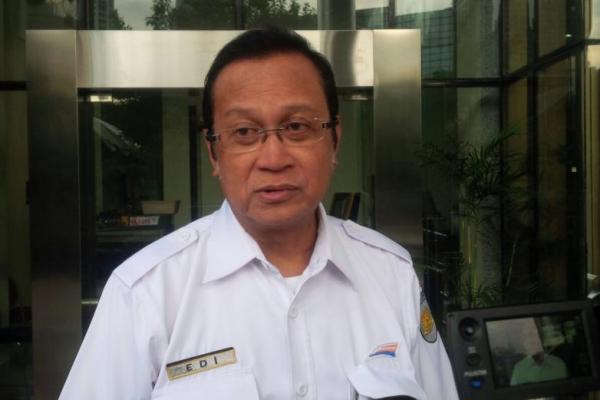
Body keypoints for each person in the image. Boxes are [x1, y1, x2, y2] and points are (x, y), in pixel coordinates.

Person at [60, 27, 458, 400]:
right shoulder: (145, 293)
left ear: (334, 140)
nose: (273, 158)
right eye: (244, 133)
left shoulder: (390, 273)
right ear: (214, 153)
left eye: (297, 126)